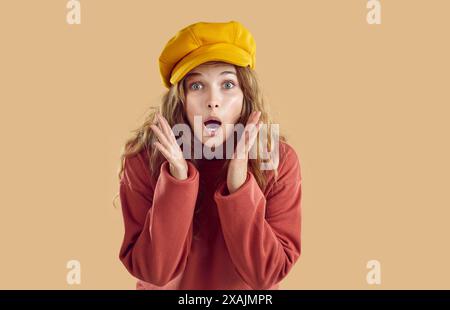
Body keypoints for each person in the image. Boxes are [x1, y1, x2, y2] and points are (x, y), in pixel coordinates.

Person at [117, 21, 302, 290]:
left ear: (245, 96)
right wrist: (177, 181)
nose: (212, 100)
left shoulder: (277, 159)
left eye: (227, 84)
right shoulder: (145, 159)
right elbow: (154, 272)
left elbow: (266, 274)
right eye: (196, 86)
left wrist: (239, 184)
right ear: (180, 99)